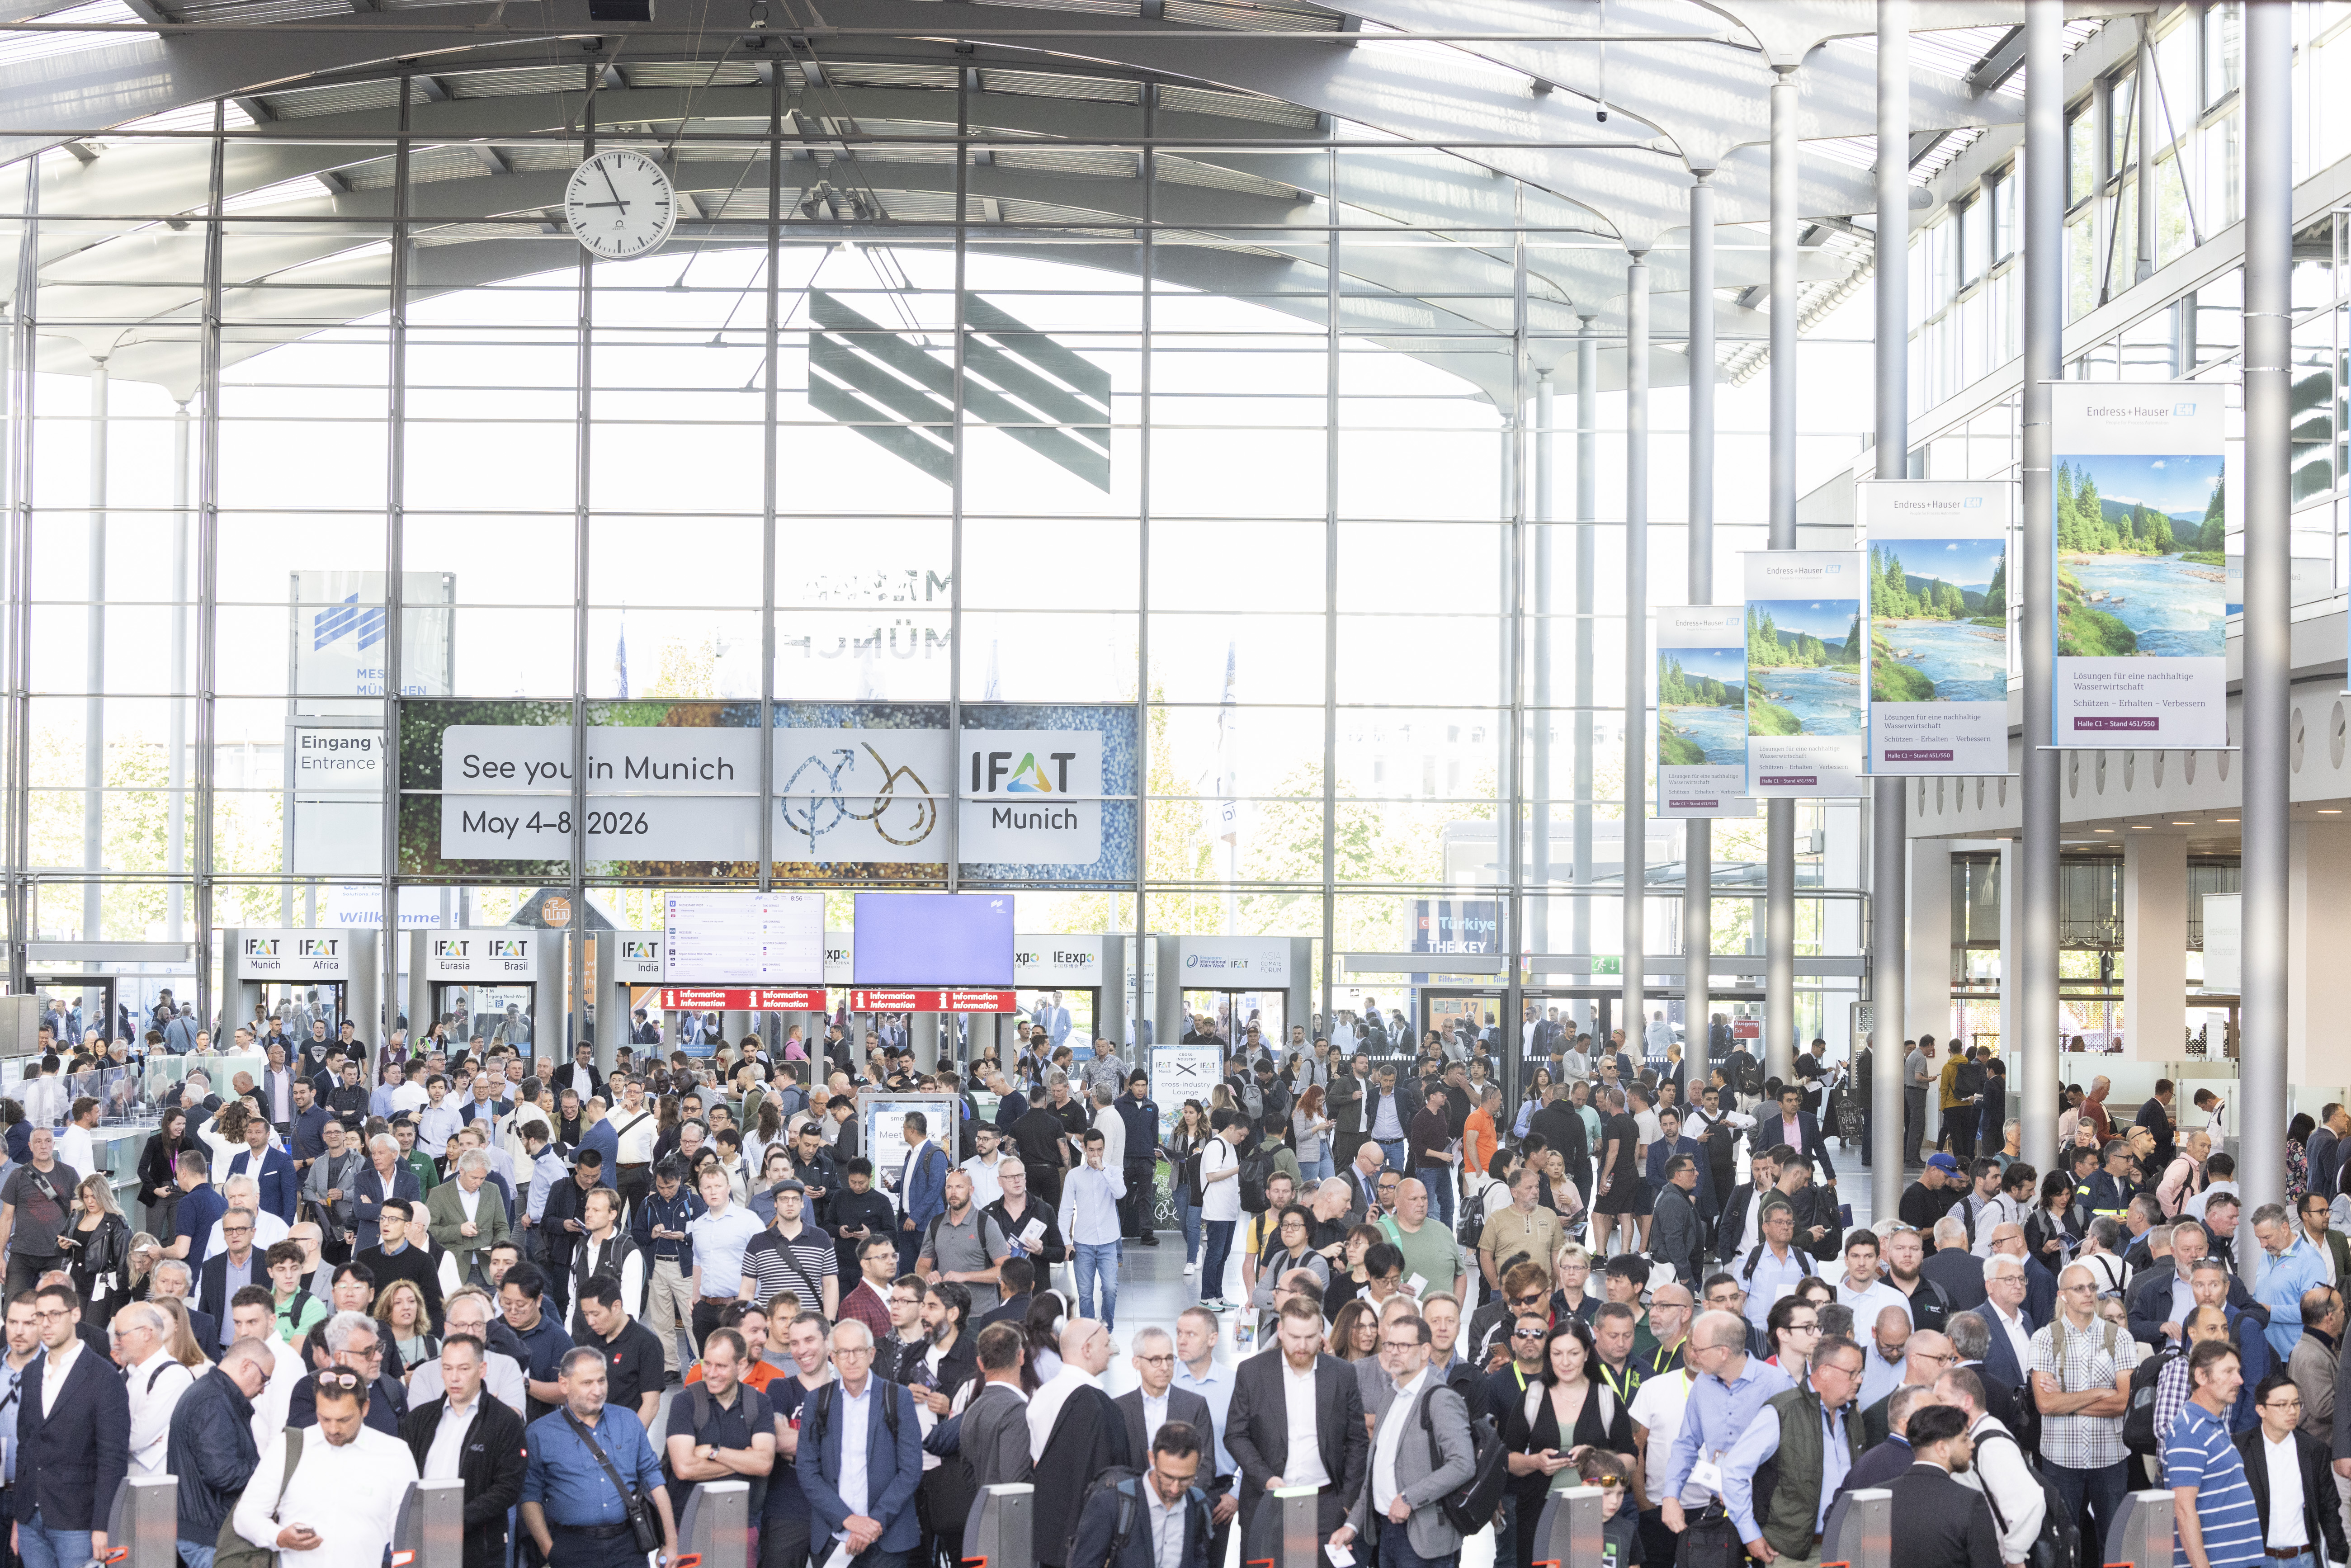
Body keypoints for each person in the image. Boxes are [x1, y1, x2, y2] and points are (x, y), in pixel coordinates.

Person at [1328, 1312, 1477, 1568]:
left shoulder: (1440, 1399)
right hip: (1386, 1531)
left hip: (1424, 1539)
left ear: (1425, 1351)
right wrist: (1352, 1524)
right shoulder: (1391, 1396)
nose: (1394, 1352)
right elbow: (1375, 1472)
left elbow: (1463, 1464)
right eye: (1389, 1345)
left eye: (1404, 1346)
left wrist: (1410, 1498)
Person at [1225, 1294, 1371, 1543]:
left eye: (1310, 1337)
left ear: (1321, 1332)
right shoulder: (1252, 1372)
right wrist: (1266, 1478)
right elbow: (1236, 1435)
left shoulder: (1342, 1374)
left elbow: (1358, 1441)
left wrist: (1345, 1504)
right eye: (1294, 1337)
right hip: (1267, 1500)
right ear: (1280, 1331)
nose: (1302, 1346)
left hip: (1324, 1504)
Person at [519, 1346, 680, 1568]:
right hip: (571, 1547)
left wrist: (671, 1544)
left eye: (602, 1381)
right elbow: (530, 1497)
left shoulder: (628, 1420)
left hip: (628, 1545)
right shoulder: (539, 1433)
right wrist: (550, 1550)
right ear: (564, 1384)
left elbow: (655, 1482)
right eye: (587, 1383)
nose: (597, 1390)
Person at [1716, 1331, 1866, 1568]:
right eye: (1853, 1373)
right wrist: (1750, 1534)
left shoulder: (1852, 1416)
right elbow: (1734, 1470)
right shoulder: (1783, 1411)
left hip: (1846, 1547)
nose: (1859, 1380)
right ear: (1825, 1370)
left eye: (1861, 1373)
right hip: (1794, 1555)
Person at [2030, 1260, 2143, 1567]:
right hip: (2060, 1458)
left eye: (2092, 1287)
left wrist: (2066, 1401)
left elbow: (2122, 1403)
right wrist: (2098, 1393)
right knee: (2062, 1542)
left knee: (2116, 1542)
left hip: (2110, 1457)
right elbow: (2045, 1405)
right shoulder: (2044, 1338)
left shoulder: (2119, 1337)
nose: (2088, 1294)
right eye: (2079, 1288)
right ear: (2063, 1295)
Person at [13, 1279, 131, 1568]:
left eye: (55, 1314)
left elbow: (112, 1460)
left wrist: (102, 1527)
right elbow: (25, 1446)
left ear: (75, 1315)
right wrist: (20, 1517)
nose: (46, 1323)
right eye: (39, 1316)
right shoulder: (31, 1373)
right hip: (31, 1518)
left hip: (78, 1521)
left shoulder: (104, 1377)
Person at [1500, 1319, 1636, 1568]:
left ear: (1587, 1354)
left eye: (1573, 1353)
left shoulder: (1607, 1398)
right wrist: (1535, 1462)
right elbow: (1508, 1458)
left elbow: (1630, 1459)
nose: (1565, 1362)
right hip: (1538, 1514)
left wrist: (1597, 1457)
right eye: (1557, 1353)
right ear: (1548, 1355)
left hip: (1597, 1516)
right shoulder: (1533, 1396)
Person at [798, 1319, 923, 1568]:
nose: (851, 1359)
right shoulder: (817, 1401)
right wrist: (848, 1520)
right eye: (843, 1352)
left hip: (888, 1540)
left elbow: (911, 1470)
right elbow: (807, 1471)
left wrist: (872, 1525)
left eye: (858, 1351)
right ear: (832, 1357)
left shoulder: (898, 1397)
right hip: (834, 1538)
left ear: (872, 1354)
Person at [401, 1333, 530, 1568]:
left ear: (482, 1370)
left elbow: (508, 1487)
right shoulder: (419, 1419)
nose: (454, 1378)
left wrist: (457, 1518)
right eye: (448, 1368)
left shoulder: (504, 1421)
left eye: (463, 1369)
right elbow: (400, 1474)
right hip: (421, 1534)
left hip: (478, 1545)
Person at [169, 1336, 271, 1566]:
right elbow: (223, 1474)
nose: (263, 1389)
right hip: (207, 1534)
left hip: (202, 1528)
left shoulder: (213, 1394)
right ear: (246, 1366)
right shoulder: (213, 1401)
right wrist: (267, 1469)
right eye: (264, 1379)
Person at [1067, 1421, 1213, 1568]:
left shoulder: (1198, 1506)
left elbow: (1198, 1557)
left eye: (1186, 1479)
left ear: (1199, 1464)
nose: (1175, 1489)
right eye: (1168, 1477)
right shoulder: (1110, 1505)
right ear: (1152, 1458)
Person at [2168, 1340, 2262, 1568]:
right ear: (2201, 1376)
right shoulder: (2188, 1430)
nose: (2239, 1380)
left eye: (2238, 1372)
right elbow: (2183, 1508)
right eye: (2228, 1372)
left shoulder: (2214, 1424)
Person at [663, 1327, 776, 1515]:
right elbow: (684, 1468)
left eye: (721, 1366)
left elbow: (764, 1465)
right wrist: (744, 1464)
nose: (712, 1373)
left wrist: (712, 1451)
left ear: (740, 1366)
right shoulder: (685, 1402)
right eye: (707, 1363)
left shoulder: (760, 1403)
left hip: (744, 1521)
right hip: (689, 1518)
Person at [1884, 1402, 2004, 1568]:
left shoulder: (1879, 1495)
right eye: (1964, 1439)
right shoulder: (1970, 1503)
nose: (1972, 1444)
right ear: (1942, 1448)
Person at [115, 1300, 196, 1475]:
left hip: (155, 1486)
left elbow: (135, 1438)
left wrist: (113, 1436)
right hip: (126, 1478)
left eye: (121, 1334)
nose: (116, 1342)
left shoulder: (173, 1375)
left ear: (146, 1333)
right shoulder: (126, 1374)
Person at [1197, 1110, 1246, 1311]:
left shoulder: (1231, 1146)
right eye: (1241, 1135)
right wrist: (1238, 1169)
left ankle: (1218, 1294)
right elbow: (1211, 1176)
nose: (1242, 1139)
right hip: (1216, 1210)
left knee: (1224, 1255)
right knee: (1215, 1255)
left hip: (1229, 1210)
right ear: (1231, 1127)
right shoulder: (1216, 1146)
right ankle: (1206, 1297)